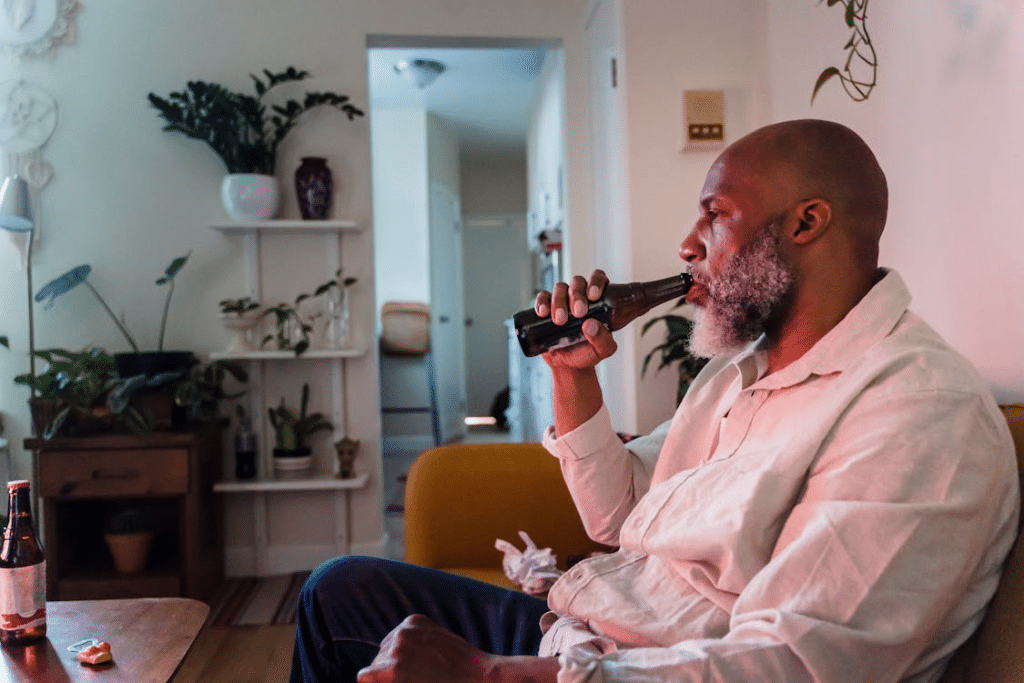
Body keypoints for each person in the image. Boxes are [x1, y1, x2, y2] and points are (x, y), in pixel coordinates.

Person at [290, 119, 1019, 683]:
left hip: (644, 668)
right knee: (340, 592)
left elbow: (795, 663)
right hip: (593, 641)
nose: (687, 246)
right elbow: (618, 516)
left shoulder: (918, 412)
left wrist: (490, 674)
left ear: (806, 223)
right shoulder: (739, 375)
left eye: (715, 215)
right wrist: (573, 377)